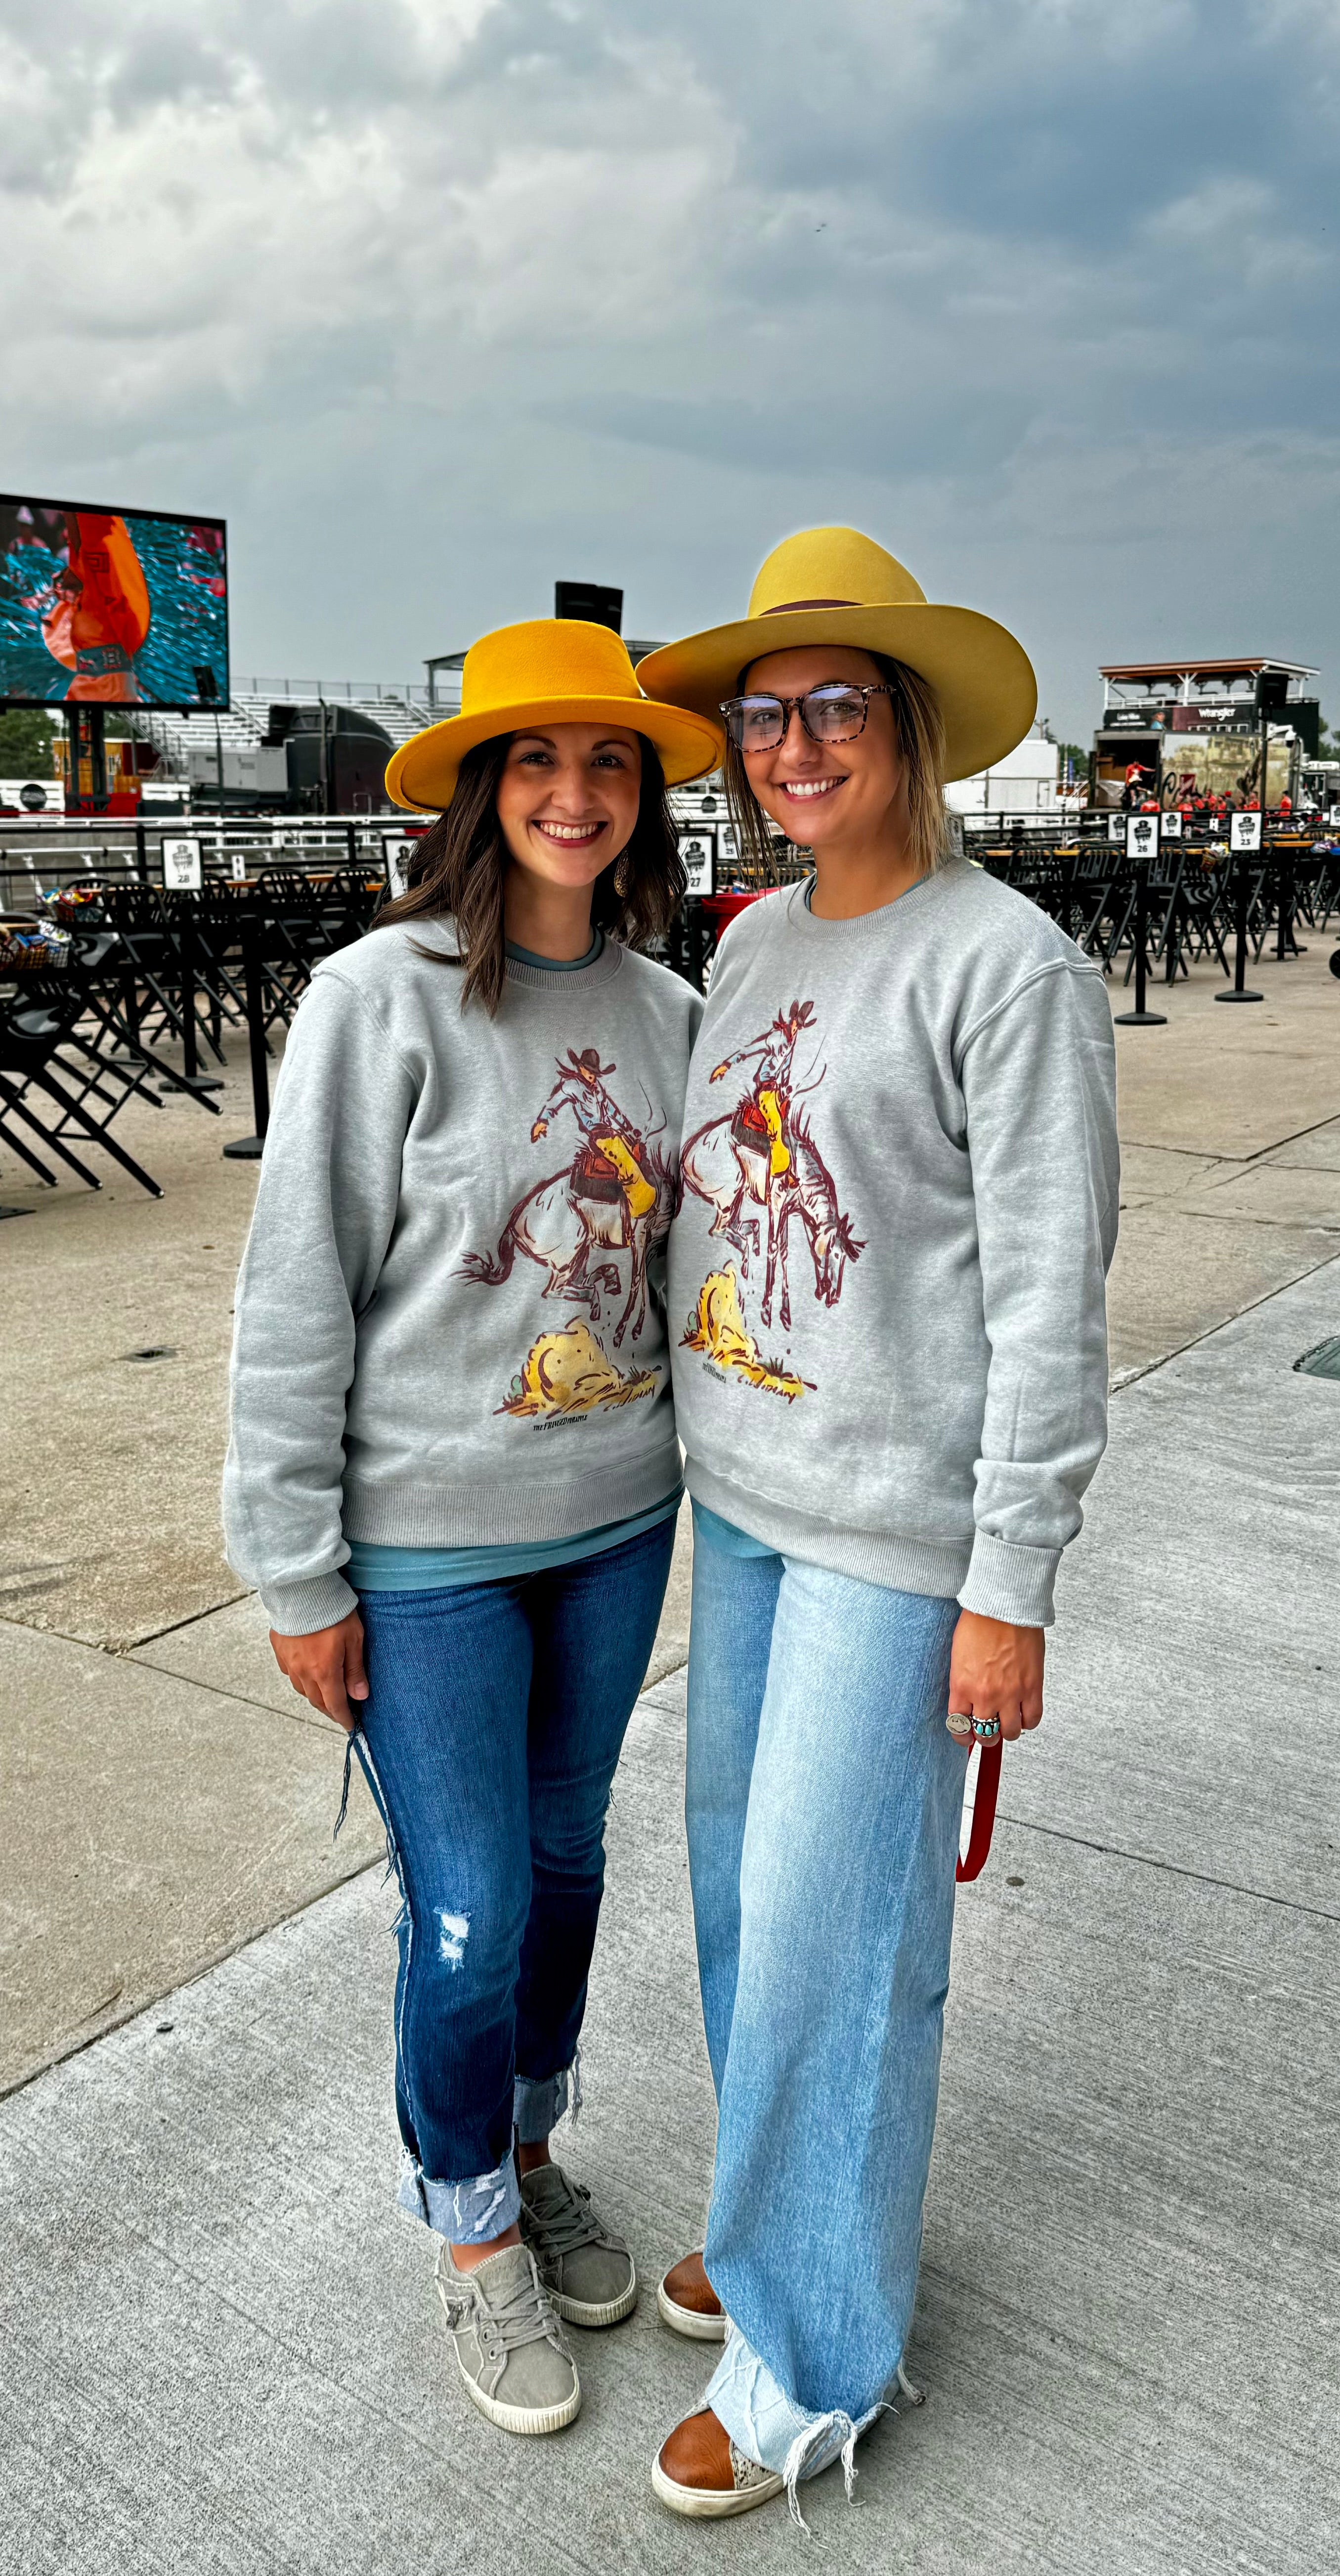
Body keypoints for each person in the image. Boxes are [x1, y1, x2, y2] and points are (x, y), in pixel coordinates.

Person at [634, 528, 1119, 2522]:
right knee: (751, 1911)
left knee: (845, 1935)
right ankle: (774, 2235)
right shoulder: (751, 943)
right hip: (741, 1505)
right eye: (766, 711)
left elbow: (1046, 1293)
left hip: (895, 1536)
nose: (796, 740)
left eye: (838, 703)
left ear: (908, 729)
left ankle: (813, 2353)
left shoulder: (1011, 964)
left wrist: (1011, 1583)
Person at [223, 618, 722, 2440]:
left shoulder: (676, 1017)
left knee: (572, 1865)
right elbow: (296, 1296)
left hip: (611, 1525)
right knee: (472, 1905)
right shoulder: (377, 999)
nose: (575, 795)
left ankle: (526, 2145)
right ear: (478, 793)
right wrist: (295, 1563)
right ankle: (467, 2226)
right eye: (536, 762)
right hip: (423, 1550)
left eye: (608, 763)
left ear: (644, 794)